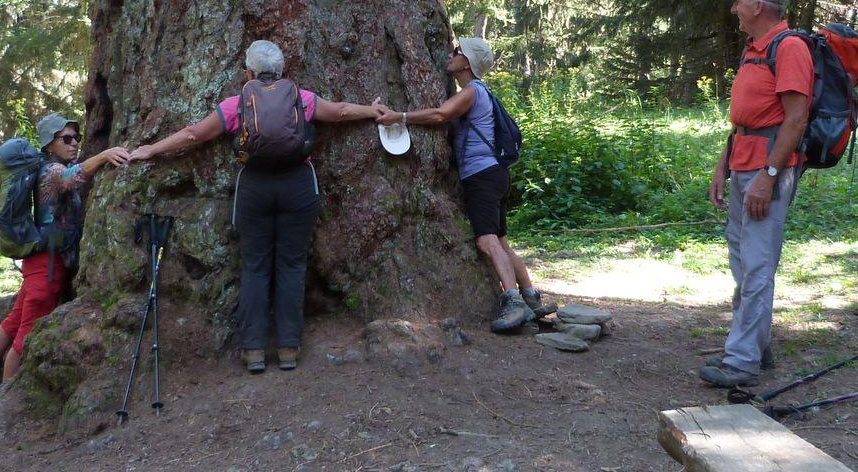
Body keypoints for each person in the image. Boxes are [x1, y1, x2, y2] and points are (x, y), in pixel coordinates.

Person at [129, 40, 381, 373]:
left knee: (255, 266)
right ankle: (289, 349)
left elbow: (193, 135)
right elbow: (341, 112)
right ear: (282, 71)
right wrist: (373, 110)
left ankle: (254, 351)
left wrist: (151, 149)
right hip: (297, 185)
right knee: (292, 265)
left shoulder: (237, 104)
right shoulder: (300, 98)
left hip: (255, 188)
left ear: (247, 72)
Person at [375, 36, 553, 334]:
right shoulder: (482, 91)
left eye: (457, 52)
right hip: (495, 174)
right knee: (501, 241)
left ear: (467, 63)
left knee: (487, 241)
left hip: (481, 176)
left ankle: (513, 303)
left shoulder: (472, 91)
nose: (451, 54)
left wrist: (400, 117)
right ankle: (531, 298)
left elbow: (440, 114)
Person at [699, 0, 813, 389]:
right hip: (743, 163)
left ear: (759, 6)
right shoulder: (754, 50)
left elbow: (796, 119)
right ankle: (757, 346)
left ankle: (742, 361)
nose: (734, 9)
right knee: (742, 262)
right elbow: (745, 122)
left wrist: (769, 176)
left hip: (767, 171)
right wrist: (721, 166)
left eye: (739, 1)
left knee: (758, 263)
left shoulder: (791, 48)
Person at [0, 113, 132, 391]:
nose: (74, 144)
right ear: (49, 144)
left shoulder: (48, 166)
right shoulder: (51, 171)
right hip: (45, 264)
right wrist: (105, 155)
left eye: (76, 138)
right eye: (66, 139)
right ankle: (5, 391)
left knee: (16, 318)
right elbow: (74, 177)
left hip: (39, 261)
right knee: (28, 330)